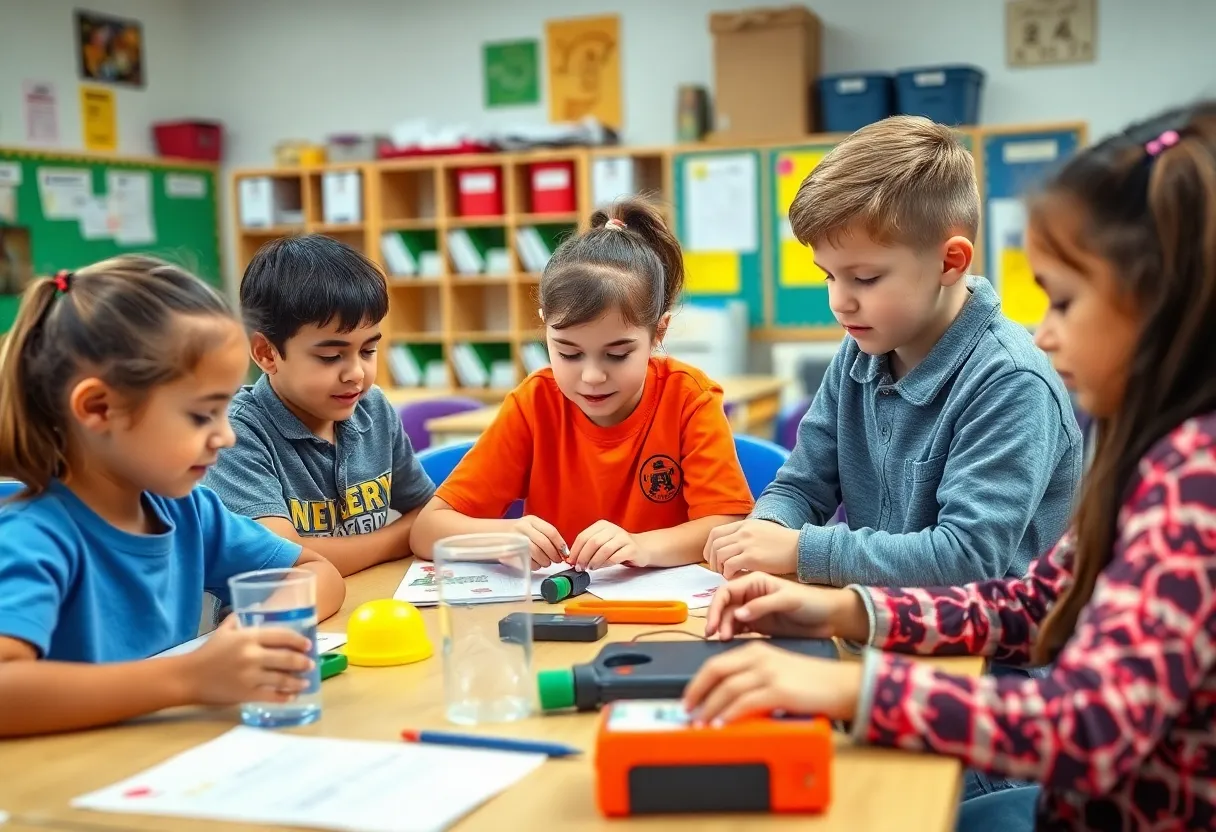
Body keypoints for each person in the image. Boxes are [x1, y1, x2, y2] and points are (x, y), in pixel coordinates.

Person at [684, 102, 1216, 831]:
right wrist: (838, 608)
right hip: (1014, 742)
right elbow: (1033, 604)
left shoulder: (1194, 484)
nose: (1048, 333)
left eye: (1063, 300)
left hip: (1030, 746)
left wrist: (849, 687)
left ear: (1159, 307)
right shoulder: (1153, 452)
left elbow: (1089, 727)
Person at [705, 115, 1082, 589]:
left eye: (864, 278)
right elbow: (803, 483)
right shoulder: (861, 350)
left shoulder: (1010, 381)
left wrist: (802, 549)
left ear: (950, 262)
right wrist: (770, 527)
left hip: (992, 654)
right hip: (881, 618)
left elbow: (966, 557)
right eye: (828, 274)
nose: (839, 301)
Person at [0, 257, 345, 738]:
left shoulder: (186, 510)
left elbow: (316, 571)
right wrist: (190, 677)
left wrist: (251, 629)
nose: (225, 437)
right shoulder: (32, 537)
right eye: (202, 415)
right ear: (99, 408)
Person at [410, 199, 754, 569]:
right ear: (545, 327)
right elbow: (427, 530)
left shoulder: (689, 398)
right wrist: (502, 536)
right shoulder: (534, 403)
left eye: (617, 354)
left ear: (659, 332)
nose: (591, 376)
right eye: (569, 354)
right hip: (555, 612)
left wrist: (640, 546)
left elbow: (728, 526)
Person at [204, 235, 435, 576]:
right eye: (330, 357)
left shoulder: (373, 408)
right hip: (287, 620)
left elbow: (428, 513)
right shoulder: (235, 433)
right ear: (267, 353)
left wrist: (416, 529)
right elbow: (285, 561)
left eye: (368, 351)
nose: (356, 373)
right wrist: (405, 535)